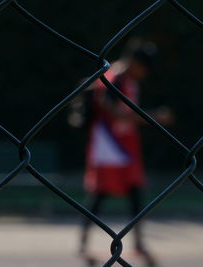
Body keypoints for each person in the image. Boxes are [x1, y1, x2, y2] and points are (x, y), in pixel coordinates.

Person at [73, 41, 173, 266]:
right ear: (136, 63)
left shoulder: (130, 81)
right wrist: (153, 117)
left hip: (126, 146)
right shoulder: (113, 77)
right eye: (144, 67)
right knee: (99, 194)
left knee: (136, 193)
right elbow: (114, 111)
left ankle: (138, 242)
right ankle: (83, 242)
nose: (145, 73)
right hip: (108, 146)